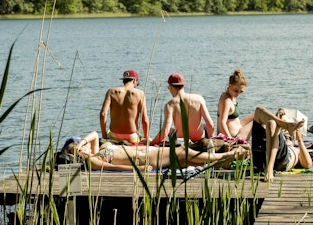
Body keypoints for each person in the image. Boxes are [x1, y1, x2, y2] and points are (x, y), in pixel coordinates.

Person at [59, 131, 248, 172]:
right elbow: (113, 166)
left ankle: (218, 162)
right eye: (79, 147)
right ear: (78, 153)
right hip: (146, 159)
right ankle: (225, 155)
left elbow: (93, 134)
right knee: (182, 152)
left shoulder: (94, 147)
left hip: (146, 152)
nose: (83, 145)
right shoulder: (92, 160)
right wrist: (137, 170)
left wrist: (82, 141)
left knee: (185, 161)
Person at [216, 69, 303, 143]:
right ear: (229, 85)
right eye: (236, 91)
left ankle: (280, 124)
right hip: (234, 136)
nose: (238, 94)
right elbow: (222, 122)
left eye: (240, 92)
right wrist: (230, 140)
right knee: (259, 116)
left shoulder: (232, 96)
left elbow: (233, 120)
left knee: (257, 113)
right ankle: (282, 127)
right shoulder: (226, 100)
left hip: (239, 128)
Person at [251, 108, 313, 182]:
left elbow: (308, 164)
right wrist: (278, 119)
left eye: (289, 134)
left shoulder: (296, 149)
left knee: (273, 123)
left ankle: (269, 169)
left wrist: (300, 140)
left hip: (280, 161)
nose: (286, 135)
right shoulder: (279, 134)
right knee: (259, 111)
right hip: (261, 155)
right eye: (285, 131)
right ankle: (285, 125)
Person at [150, 73, 215, 145]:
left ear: (170, 87)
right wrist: (212, 140)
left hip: (182, 141)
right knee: (204, 126)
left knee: (171, 129)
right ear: (183, 86)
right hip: (200, 140)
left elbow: (165, 131)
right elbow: (210, 124)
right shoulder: (199, 99)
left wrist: (151, 142)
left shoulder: (170, 105)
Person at [99, 69, 149, 144]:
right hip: (132, 137)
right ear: (134, 81)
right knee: (139, 136)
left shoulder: (111, 92)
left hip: (114, 135)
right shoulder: (140, 94)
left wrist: (104, 136)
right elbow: (144, 119)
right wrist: (146, 137)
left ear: (123, 81)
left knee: (109, 132)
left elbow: (103, 114)